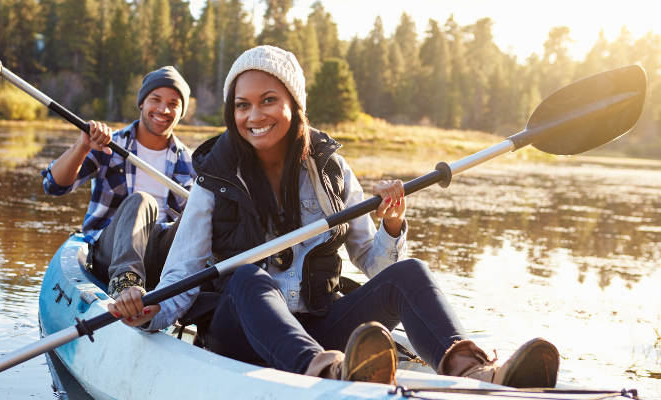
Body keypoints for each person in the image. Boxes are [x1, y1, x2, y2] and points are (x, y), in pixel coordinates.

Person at [107, 46, 560, 387]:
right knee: (248, 278)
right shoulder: (214, 177)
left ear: (293, 105)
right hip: (241, 331)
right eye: (242, 105)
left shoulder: (331, 171)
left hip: (319, 323)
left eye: (268, 100)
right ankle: (325, 371)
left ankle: (475, 371)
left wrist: (392, 226)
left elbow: (375, 262)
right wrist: (145, 311)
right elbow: (182, 274)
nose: (253, 115)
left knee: (410, 273)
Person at [42, 66, 196, 298]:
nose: (163, 109)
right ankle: (125, 283)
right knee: (142, 201)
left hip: (164, 259)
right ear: (142, 103)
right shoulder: (109, 144)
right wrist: (83, 146)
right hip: (111, 252)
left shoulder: (191, 161)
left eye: (173, 103)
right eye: (156, 99)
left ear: (181, 111)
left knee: (200, 211)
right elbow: (53, 186)